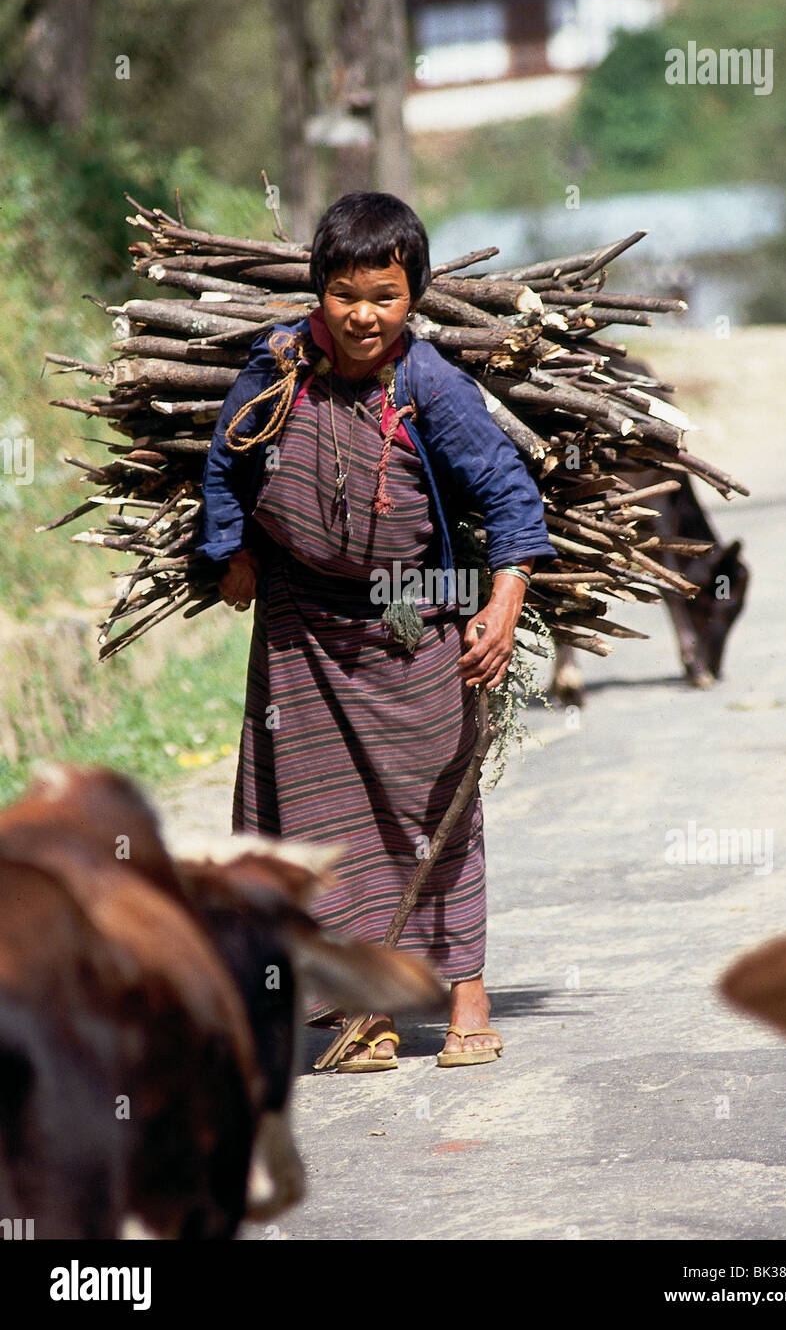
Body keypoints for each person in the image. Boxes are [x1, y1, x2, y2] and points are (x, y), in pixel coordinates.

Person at [198, 192, 556, 1070]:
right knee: (323, 820)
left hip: (413, 617)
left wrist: (502, 603)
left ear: (415, 298)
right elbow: (223, 461)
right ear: (319, 289)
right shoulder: (278, 366)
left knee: (431, 807)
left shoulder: (428, 384)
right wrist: (228, 551)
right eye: (345, 293)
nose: (364, 314)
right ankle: (366, 1013)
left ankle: (464, 995)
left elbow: (511, 498)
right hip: (300, 627)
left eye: (385, 297)